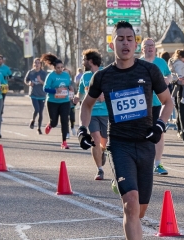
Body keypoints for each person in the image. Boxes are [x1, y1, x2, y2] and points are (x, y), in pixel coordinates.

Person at [77, 21, 173, 240]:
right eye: (120, 39)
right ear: (112, 44)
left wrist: (160, 124)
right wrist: (82, 129)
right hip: (120, 145)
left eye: (130, 38)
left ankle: (119, 183)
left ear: (135, 43)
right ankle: (123, 182)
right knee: (130, 205)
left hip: (146, 143)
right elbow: (86, 105)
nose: (125, 43)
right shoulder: (103, 76)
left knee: (139, 210)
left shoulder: (149, 70)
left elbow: (168, 102)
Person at [74, 48, 108, 180]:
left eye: (84, 59)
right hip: (92, 113)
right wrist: (77, 97)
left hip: (106, 113)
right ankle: (100, 170)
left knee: (104, 141)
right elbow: (81, 92)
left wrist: (105, 94)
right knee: (95, 138)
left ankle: (102, 152)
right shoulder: (85, 76)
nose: (82, 62)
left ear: (90, 61)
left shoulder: (106, 73)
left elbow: (115, 89)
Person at [140, 38, 172, 175]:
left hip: (157, 103)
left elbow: (169, 75)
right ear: (143, 49)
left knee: (159, 133)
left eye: (152, 45)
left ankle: (158, 164)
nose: (150, 48)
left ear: (155, 48)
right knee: (141, 134)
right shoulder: (137, 63)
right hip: (141, 105)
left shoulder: (161, 62)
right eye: (147, 46)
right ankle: (141, 163)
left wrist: (167, 80)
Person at [41, 53, 73, 149]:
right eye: (58, 68)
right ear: (54, 68)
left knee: (64, 121)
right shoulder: (51, 76)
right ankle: (50, 125)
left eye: (61, 67)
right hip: (52, 102)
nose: (60, 69)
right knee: (54, 122)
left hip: (64, 101)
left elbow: (68, 85)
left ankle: (64, 142)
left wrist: (70, 87)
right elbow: (45, 89)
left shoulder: (66, 75)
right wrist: (55, 90)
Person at [24, 58, 47, 134]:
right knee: (36, 109)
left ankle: (39, 128)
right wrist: (29, 83)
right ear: (33, 64)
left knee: (41, 112)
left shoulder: (43, 73)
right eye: (35, 63)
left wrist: (40, 81)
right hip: (33, 94)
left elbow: (46, 84)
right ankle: (33, 120)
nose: (36, 64)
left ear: (41, 65)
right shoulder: (31, 72)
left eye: (38, 63)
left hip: (42, 95)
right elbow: (26, 80)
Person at [0, 54, 12, 120]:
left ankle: (0, 114)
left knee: (2, 101)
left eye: (0, 59)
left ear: (2, 60)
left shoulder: (6, 68)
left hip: (4, 85)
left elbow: (11, 76)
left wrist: (6, 77)